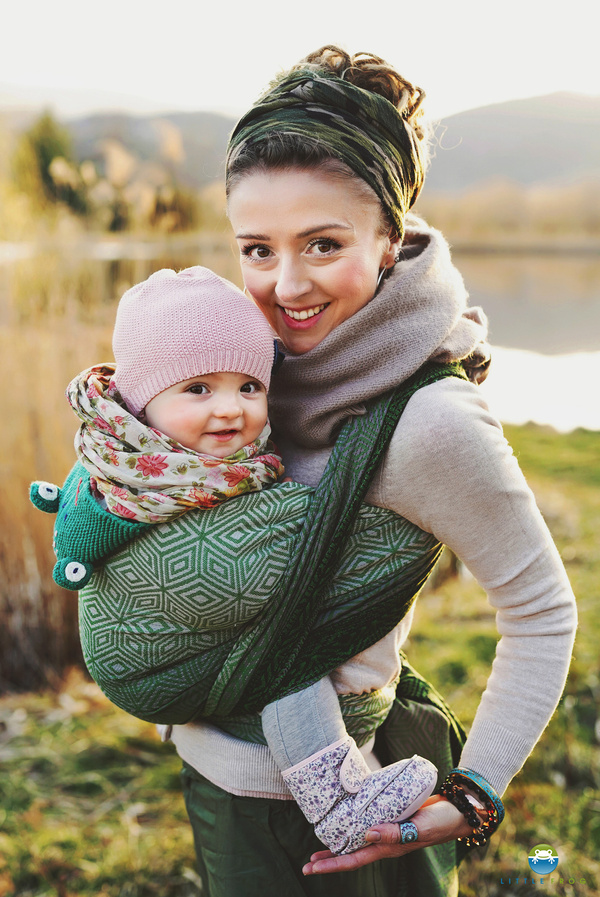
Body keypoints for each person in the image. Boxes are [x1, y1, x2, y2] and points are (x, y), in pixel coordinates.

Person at [160, 46, 577, 897]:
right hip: (216, 782)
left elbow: (542, 611)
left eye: (323, 244)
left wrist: (474, 794)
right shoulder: (235, 375)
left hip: (341, 800)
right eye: (257, 249)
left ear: (391, 238)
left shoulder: (430, 420)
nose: (286, 284)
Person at [30, 264, 439, 856]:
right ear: (143, 402)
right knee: (286, 658)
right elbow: (282, 558)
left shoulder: (154, 452)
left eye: (249, 387)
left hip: (169, 666)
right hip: (152, 672)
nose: (230, 410)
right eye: (198, 389)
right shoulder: (165, 481)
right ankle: (337, 802)